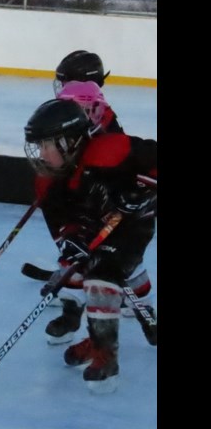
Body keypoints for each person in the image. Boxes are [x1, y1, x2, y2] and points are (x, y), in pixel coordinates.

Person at [23, 98, 157, 393]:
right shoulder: (46, 181)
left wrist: (143, 188)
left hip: (134, 220)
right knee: (93, 265)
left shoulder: (110, 149)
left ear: (70, 142)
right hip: (97, 222)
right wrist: (72, 241)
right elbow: (61, 227)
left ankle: (105, 358)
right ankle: (140, 322)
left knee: (103, 274)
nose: (41, 153)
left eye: (47, 144)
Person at [40, 79, 156, 345]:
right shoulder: (65, 142)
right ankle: (70, 315)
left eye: (81, 111)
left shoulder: (112, 140)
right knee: (75, 258)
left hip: (124, 218)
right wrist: (66, 237)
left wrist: (141, 192)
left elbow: (143, 169)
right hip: (88, 213)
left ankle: (146, 311)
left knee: (128, 266)